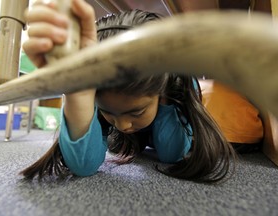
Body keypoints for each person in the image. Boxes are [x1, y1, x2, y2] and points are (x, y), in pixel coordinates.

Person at [21, 0, 236, 182]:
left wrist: (169, 93)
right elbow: (84, 166)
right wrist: (79, 95)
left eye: (136, 112)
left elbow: (172, 154)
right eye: (109, 112)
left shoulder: (177, 86)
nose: (123, 125)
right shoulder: (98, 93)